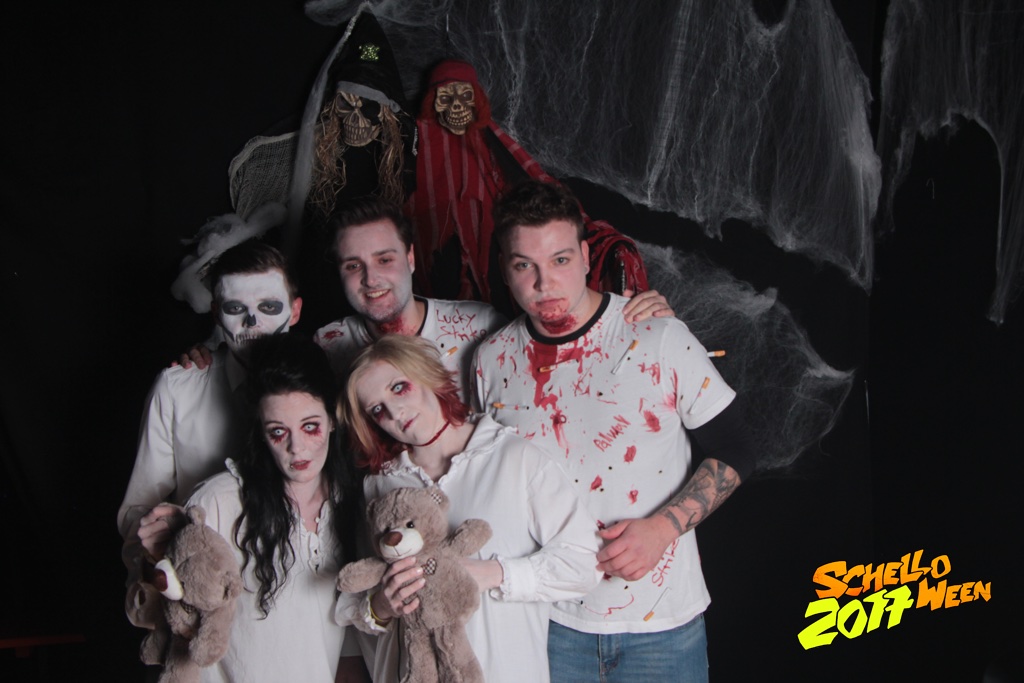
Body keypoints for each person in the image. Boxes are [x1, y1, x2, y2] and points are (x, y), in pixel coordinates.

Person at [473, 180, 757, 682]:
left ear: (586, 257)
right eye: (524, 266)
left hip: (661, 627)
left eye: (560, 260)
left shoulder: (657, 334)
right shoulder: (492, 360)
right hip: (546, 624)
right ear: (504, 268)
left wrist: (663, 528)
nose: (545, 283)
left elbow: (737, 448)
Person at [338, 334, 602, 683]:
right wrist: (382, 606)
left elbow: (585, 563)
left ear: (427, 373)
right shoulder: (379, 485)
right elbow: (354, 599)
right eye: (377, 410)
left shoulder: (515, 458)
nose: (395, 413)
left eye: (399, 388)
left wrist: (494, 574)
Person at [314, 196, 673, 396]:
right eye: (353, 265)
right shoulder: (326, 346)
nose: (371, 278)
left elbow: (562, 370)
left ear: (409, 258)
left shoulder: (480, 327)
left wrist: (632, 319)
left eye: (384, 259)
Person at [182, 334, 364, 682]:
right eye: (278, 432)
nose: (297, 447)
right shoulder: (220, 502)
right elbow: (179, 633)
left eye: (310, 427)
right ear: (261, 433)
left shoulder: (352, 502)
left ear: (332, 420)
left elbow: (349, 645)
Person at [118, 241, 302, 573]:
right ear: (216, 314)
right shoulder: (177, 389)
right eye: (235, 308)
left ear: (295, 310)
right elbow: (138, 515)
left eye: (269, 307)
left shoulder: (328, 382)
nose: (252, 322)